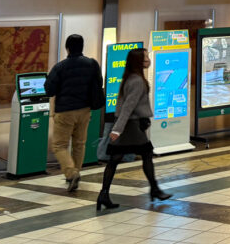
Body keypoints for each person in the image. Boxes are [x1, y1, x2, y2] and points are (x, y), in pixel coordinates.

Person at [97, 47, 171, 211]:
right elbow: (128, 107)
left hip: (131, 125)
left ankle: (104, 194)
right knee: (145, 154)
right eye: (145, 58)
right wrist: (117, 130)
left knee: (116, 159)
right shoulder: (137, 81)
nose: (148, 60)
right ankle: (155, 189)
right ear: (138, 62)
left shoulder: (130, 77)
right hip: (131, 126)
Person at [45, 34, 103, 193]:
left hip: (65, 111)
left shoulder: (60, 67)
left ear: (67, 47)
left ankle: (71, 173)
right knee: (79, 144)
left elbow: (49, 90)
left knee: (59, 145)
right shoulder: (92, 64)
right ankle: (76, 173)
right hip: (85, 110)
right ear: (82, 47)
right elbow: (99, 83)